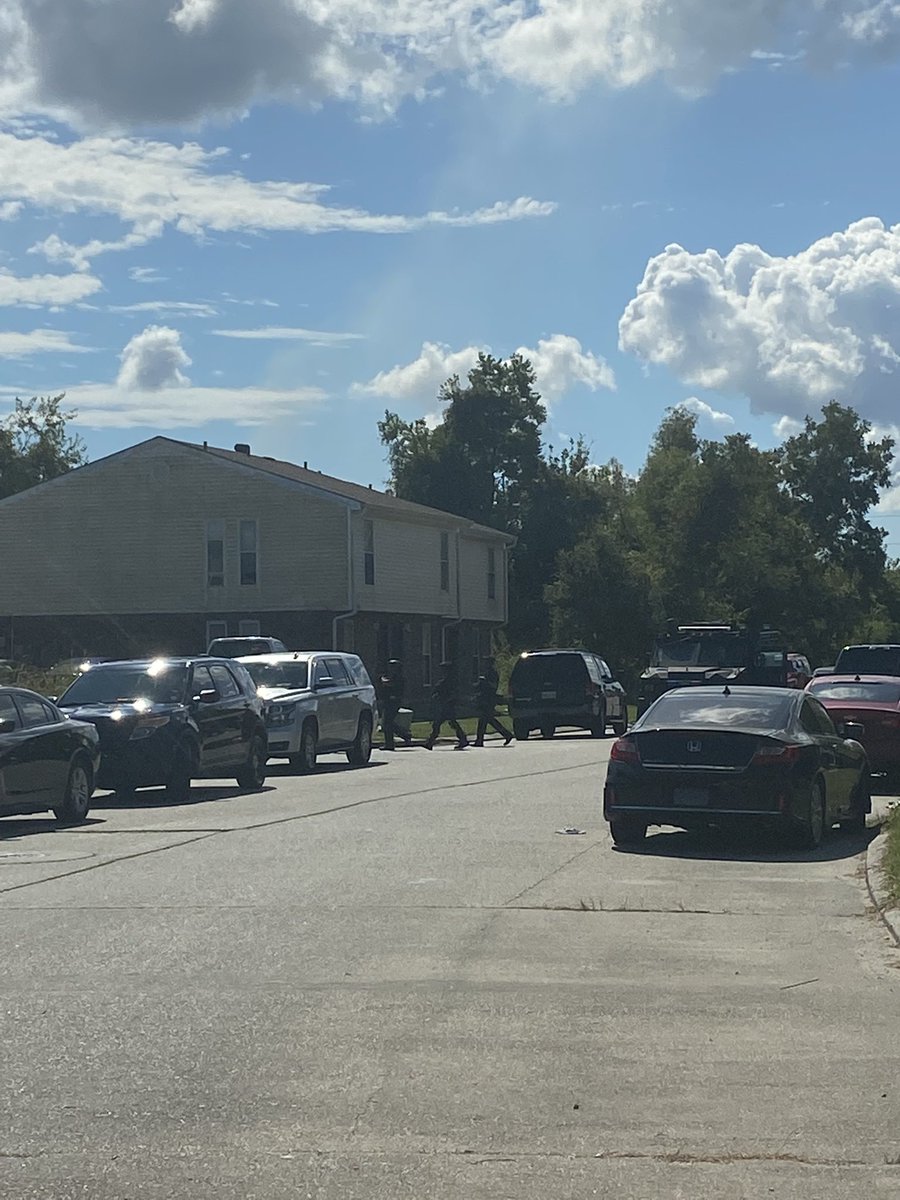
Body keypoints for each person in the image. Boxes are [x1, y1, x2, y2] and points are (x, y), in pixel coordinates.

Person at [424, 660, 468, 750]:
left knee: (439, 723)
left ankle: (430, 742)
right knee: (450, 723)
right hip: (444, 705)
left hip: (447, 705)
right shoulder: (446, 680)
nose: (442, 671)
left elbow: (452, 693)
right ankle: (463, 739)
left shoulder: (450, 681)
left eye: (444, 669)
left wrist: (446, 700)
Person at [379, 659, 412, 751]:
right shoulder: (392, 676)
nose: (391, 668)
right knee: (387, 723)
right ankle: (404, 735)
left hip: (394, 702)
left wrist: (383, 680)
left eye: (393, 666)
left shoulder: (399, 677)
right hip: (388, 701)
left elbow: (391, 684)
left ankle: (391, 743)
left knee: (387, 723)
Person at [473, 672, 513, 747]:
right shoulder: (486, 672)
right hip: (486, 699)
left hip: (489, 699)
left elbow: (493, 686)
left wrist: (484, 683)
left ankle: (479, 740)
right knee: (488, 719)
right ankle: (506, 734)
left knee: (484, 719)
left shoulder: (492, 673)